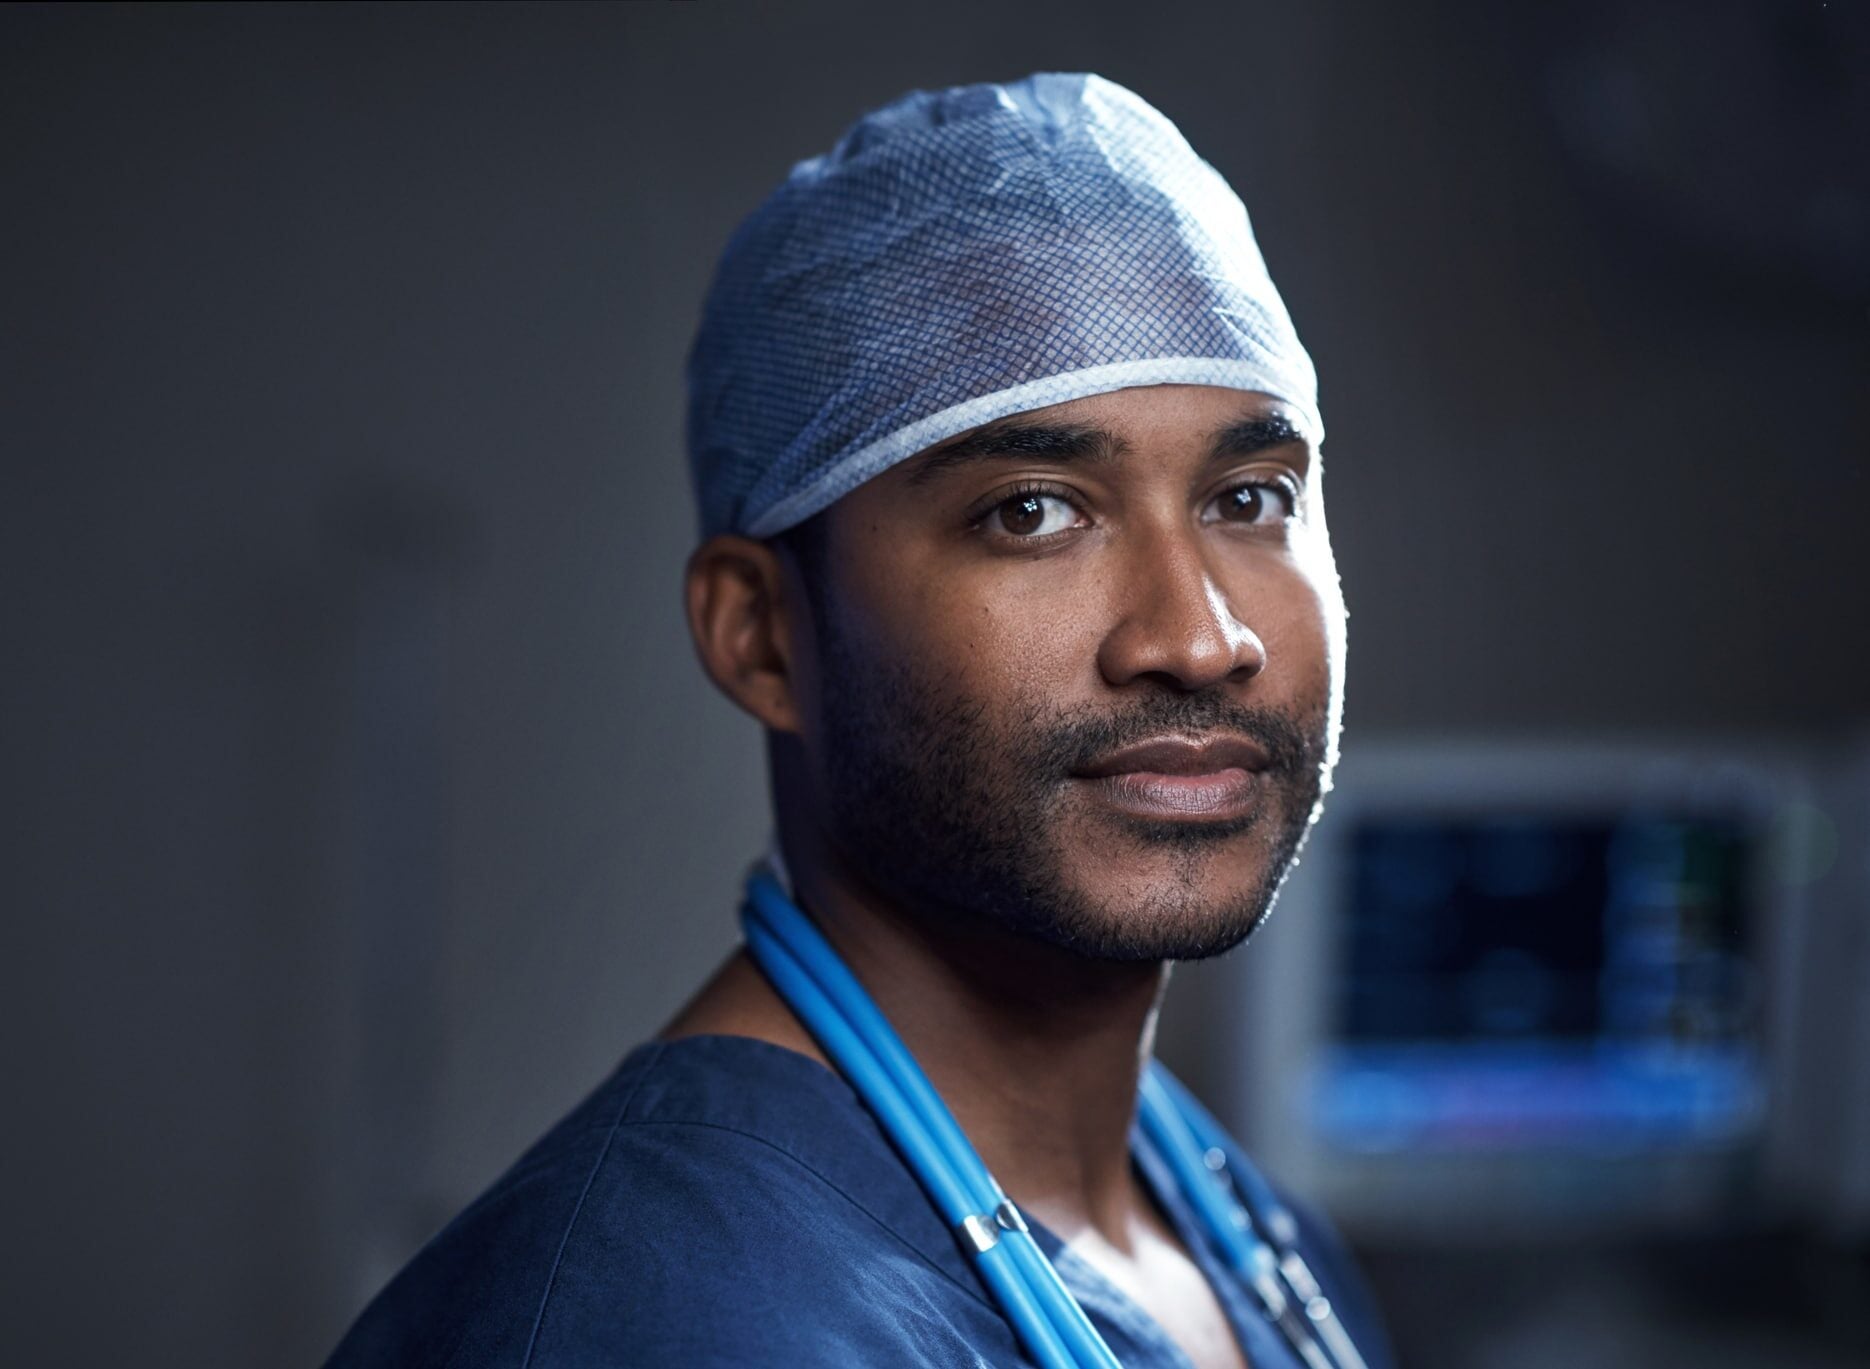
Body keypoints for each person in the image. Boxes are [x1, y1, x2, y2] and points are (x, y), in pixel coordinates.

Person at [327, 72, 1390, 1368]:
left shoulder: (1250, 1242)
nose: (1196, 636)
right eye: (1032, 510)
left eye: (1249, 496)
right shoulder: (664, 1322)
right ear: (760, 632)